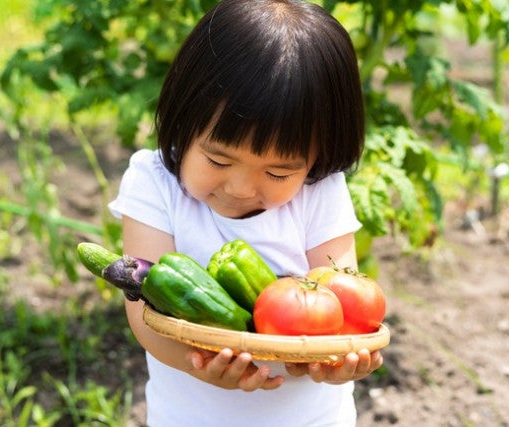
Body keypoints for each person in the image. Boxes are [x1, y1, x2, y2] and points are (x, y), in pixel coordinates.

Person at [108, 0, 383, 425]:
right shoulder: (153, 182)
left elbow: (343, 306)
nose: (240, 188)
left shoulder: (320, 191)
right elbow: (144, 317)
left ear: (317, 157)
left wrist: (340, 357)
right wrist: (197, 361)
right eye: (218, 161)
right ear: (184, 120)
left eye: (277, 171)